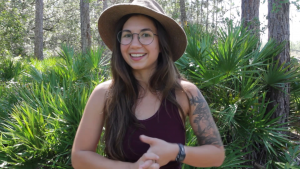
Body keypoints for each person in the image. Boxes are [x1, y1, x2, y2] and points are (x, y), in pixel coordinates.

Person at [71, 0, 225, 169]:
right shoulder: (104, 94)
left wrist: (175, 151)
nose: (135, 44)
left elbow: (216, 155)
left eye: (146, 35)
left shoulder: (186, 93)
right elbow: (80, 157)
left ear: (161, 44)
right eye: (127, 35)